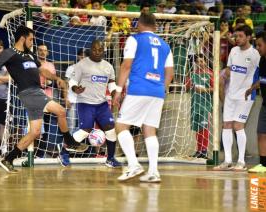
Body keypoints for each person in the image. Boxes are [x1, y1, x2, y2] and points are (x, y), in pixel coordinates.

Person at [0, 26, 88, 173]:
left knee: (35, 132)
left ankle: (9, 159)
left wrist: (56, 78)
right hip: (29, 92)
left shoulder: (30, 54)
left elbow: (42, 70)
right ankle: (70, 142)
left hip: (35, 93)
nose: (32, 42)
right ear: (22, 38)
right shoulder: (9, 53)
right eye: (31, 39)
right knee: (61, 110)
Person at [113, 13, 174, 183]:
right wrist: (161, 88)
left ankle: (133, 165)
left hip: (139, 88)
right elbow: (170, 73)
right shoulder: (165, 45)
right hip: (158, 91)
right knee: (149, 130)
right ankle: (153, 172)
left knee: (121, 126)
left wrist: (118, 90)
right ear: (155, 26)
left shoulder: (135, 39)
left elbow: (126, 66)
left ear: (139, 24)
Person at [214, 25, 260, 171]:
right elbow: (229, 70)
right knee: (226, 125)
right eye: (235, 36)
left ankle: (241, 161)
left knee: (238, 126)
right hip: (230, 95)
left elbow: (260, 75)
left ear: (248, 37)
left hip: (245, 96)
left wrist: (253, 88)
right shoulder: (233, 50)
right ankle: (227, 160)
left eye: (240, 36)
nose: (237, 39)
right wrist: (223, 75)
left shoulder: (255, 54)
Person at [69, 40, 122, 168]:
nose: (97, 52)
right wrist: (76, 88)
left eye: (100, 50)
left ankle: (110, 159)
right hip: (85, 103)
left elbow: (111, 84)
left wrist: (115, 93)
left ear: (104, 50)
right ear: (90, 50)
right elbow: (72, 82)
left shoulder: (108, 66)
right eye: (94, 49)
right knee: (85, 131)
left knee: (111, 129)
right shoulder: (82, 64)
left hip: (102, 104)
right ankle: (64, 152)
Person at [186, 54, 213, 159]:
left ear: (205, 62)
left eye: (202, 61)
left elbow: (214, 88)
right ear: (195, 63)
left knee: (204, 127)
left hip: (205, 105)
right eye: (198, 61)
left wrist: (204, 90)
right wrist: (188, 81)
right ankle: (199, 150)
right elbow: (187, 88)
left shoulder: (210, 74)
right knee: (198, 128)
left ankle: (204, 150)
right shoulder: (192, 74)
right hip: (195, 104)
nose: (201, 63)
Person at [247, 31, 266, 173]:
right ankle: (263, 164)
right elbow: (262, 80)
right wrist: (252, 88)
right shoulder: (262, 60)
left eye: (259, 45)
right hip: (265, 104)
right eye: (256, 45)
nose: (257, 48)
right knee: (261, 133)